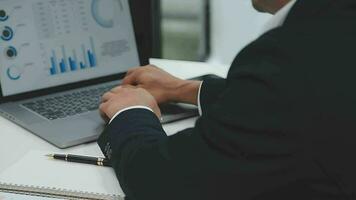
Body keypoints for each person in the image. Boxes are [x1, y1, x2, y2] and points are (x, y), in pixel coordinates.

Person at [98, 0, 356, 199]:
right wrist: (185, 89)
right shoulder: (336, 26)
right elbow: (308, 101)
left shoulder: (289, 55)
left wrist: (131, 113)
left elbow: (164, 183)